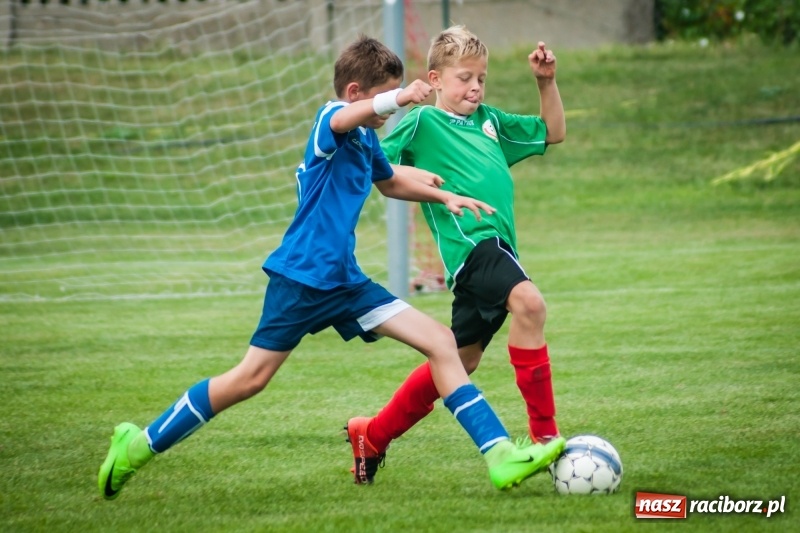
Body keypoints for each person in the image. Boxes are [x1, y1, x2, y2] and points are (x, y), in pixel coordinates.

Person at [98, 35, 566, 500]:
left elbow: (390, 183)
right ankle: (138, 445)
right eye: (382, 101)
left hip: (345, 282)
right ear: (357, 92)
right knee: (250, 379)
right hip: (301, 279)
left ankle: (499, 454)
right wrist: (401, 97)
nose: (386, 116)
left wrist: (445, 195)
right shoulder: (332, 120)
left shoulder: (366, 141)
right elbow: (348, 116)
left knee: (442, 344)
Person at [344, 26, 567, 485]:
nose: (475, 87)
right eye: (465, 77)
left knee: (457, 361)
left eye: (481, 78)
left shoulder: (491, 121)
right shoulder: (424, 121)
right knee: (530, 303)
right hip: (472, 246)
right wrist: (421, 177)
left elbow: (553, 133)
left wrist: (545, 82)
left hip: (498, 248)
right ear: (436, 79)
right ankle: (545, 440)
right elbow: (373, 163)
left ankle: (372, 434)